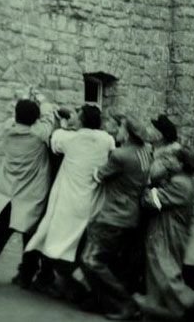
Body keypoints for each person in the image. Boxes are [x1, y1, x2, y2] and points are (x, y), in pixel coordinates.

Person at [25, 104, 115, 300]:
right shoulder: (106, 140)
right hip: (92, 202)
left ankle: (83, 287)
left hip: (69, 203)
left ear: (81, 121)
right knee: (77, 246)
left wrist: (62, 120)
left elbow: (54, 139)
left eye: (77, 115)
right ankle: (69, 284)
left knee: (55, 246)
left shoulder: (70, 138)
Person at [0, 97, 56, 287]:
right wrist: (42, 100)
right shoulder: (38, 135)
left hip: (8, 193)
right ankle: (26, 276)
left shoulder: (8, 130)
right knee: (31, 236)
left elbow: (14, 115)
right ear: (35, 119)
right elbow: (49, 117)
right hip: (31, 194)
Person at [80, 115, 153, 319]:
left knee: (90, 260)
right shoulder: (145, 152)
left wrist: (94, 168)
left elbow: (98, 176)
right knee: (109, 262)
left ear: (127, 133)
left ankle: (124, 303)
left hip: (113, 215)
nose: (117, 130)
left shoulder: (120, 155)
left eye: (120, 127)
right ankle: (102, 301)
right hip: (131, 216)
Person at [134, 146, 194, 321]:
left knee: (165, 271)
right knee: (159, 272)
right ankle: (153, 310)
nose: (169, 161)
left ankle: (191, 302)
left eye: (173, 159)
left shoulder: (180, 183)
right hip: (169, 230)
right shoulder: (185, 180)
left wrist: (147, 191)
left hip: (167, 232)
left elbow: (152, 201)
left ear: (180, 163)